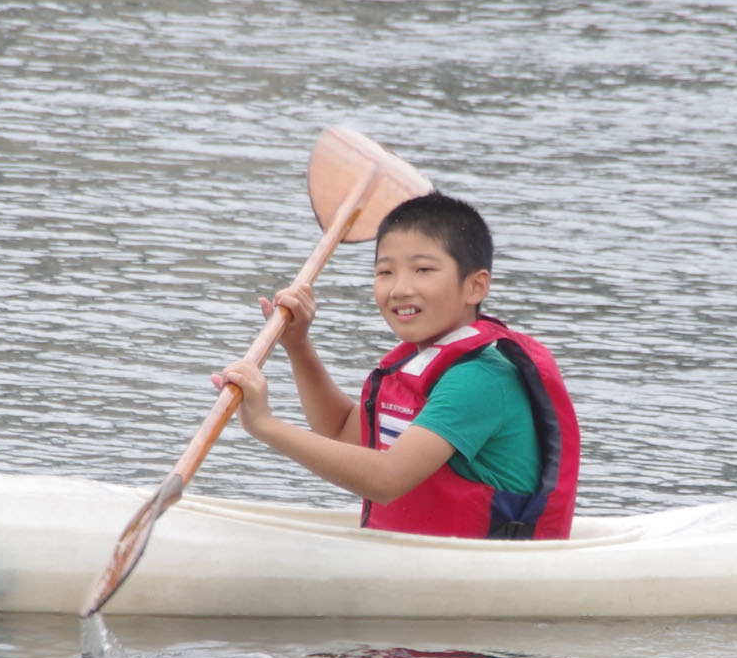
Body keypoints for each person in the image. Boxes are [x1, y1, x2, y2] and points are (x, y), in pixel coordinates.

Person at [212, 191, 579, 539]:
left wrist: (264, 425)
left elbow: (386, 480)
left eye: (422, 270)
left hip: (481, 570)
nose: (399, 288)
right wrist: (299, 345)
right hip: (425, 559)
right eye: (385, 272)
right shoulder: (421, 362)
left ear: (475, 287)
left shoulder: (480, 378)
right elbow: (340, 431)